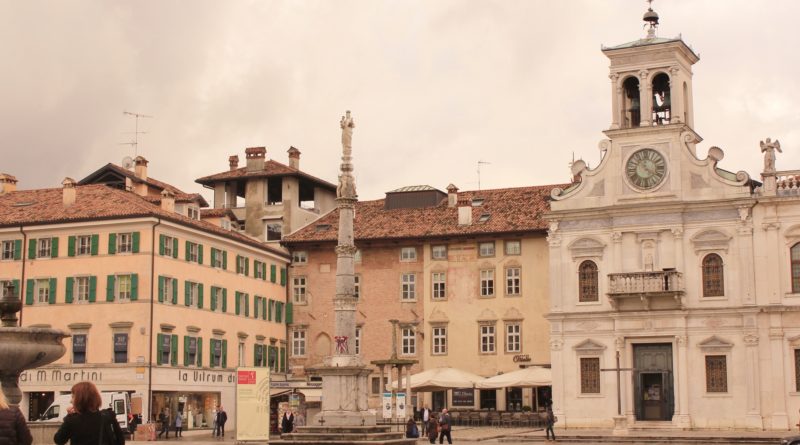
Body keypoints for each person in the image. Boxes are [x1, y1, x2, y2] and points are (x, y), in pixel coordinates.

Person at [54, 381, 125, 445]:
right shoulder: (107, 416)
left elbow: (58, 440)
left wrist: (68, 416)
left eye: (73, 397)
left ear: (80, 399)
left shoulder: (72, 420)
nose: (71, 401)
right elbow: (121, 441)